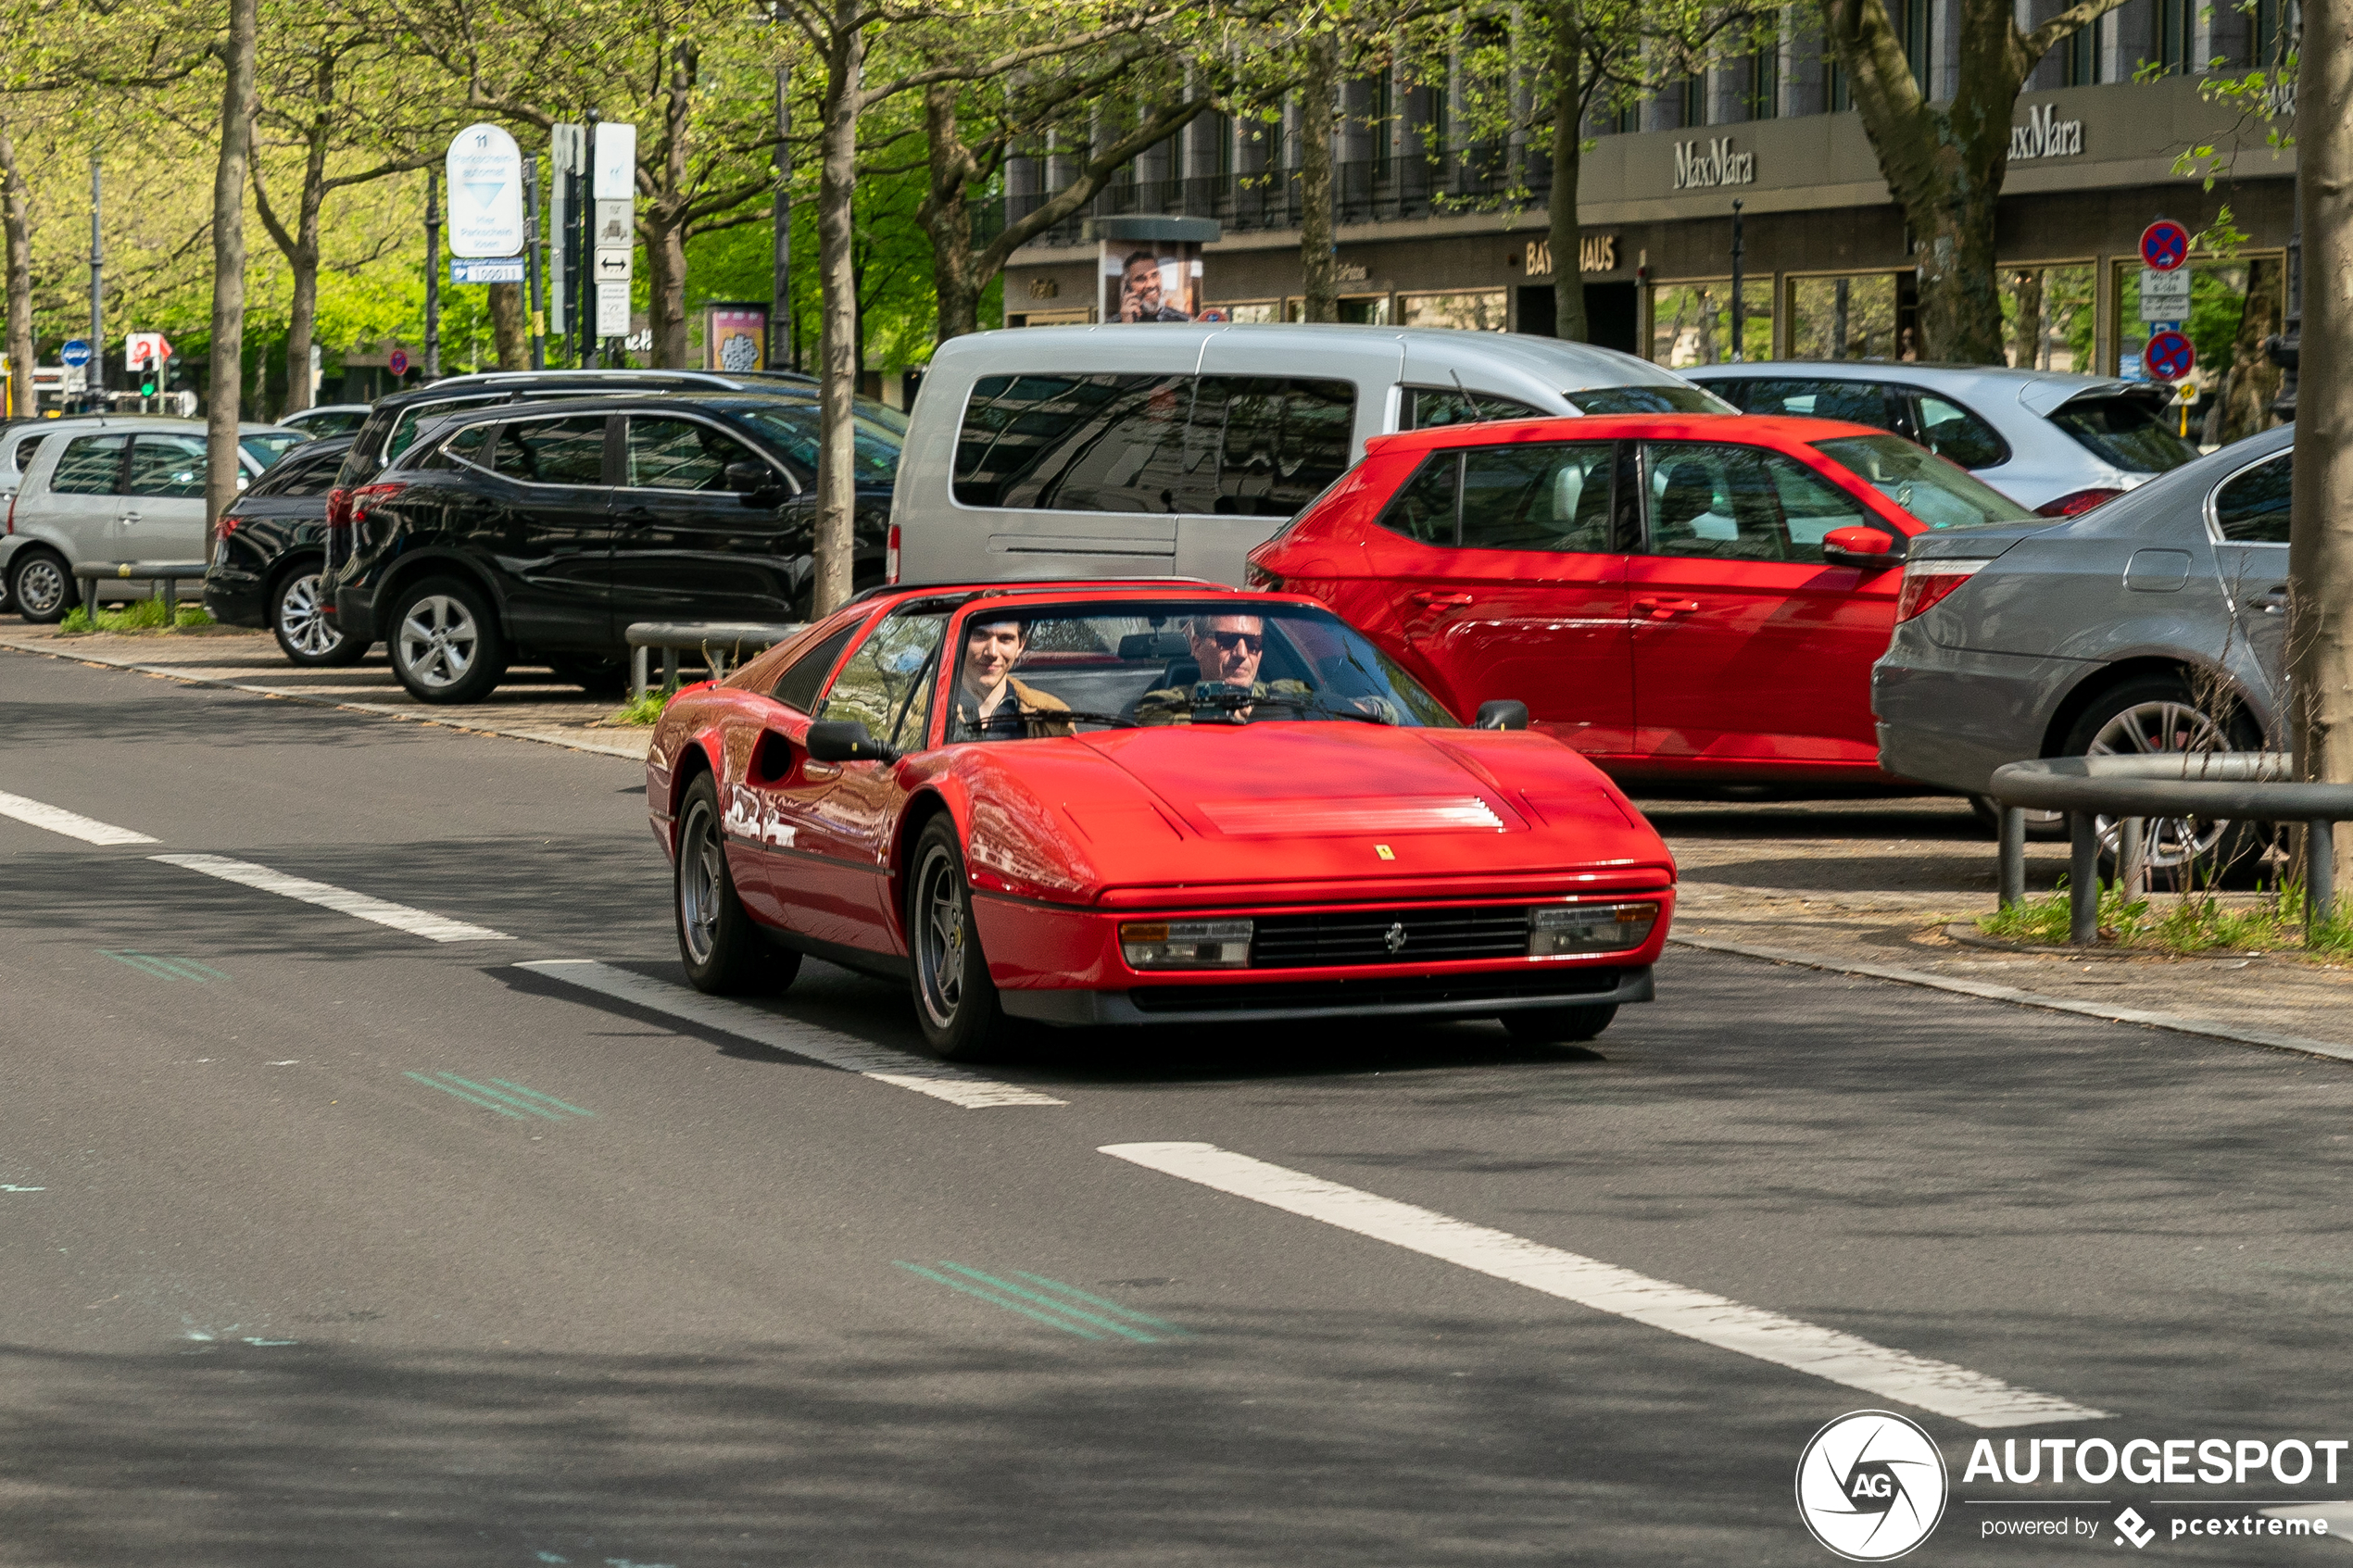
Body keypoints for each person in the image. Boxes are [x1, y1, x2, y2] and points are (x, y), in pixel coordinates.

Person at [1135, 613, 1314, 725]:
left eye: (1253, 643)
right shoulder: (1165, 702)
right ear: (1197, 647)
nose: (1242, 653)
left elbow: (1325, 706)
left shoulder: (1280, 695)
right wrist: (1220, 713)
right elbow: (1152, 721)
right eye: (1227, 640)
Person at [947, 617, 1074, 740]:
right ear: (959, 638)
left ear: (1020, 645)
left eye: (1005, 639)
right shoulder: (928, 711)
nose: (993, 652)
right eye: (980, 635)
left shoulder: (1055, 716)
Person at [1117, 251, 1193, 323]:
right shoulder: (1113, 325)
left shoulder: (1182, 322)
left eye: (1154, 275)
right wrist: (1126, 327)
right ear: (1128, 285)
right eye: (1140, 279)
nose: (1151, 284)